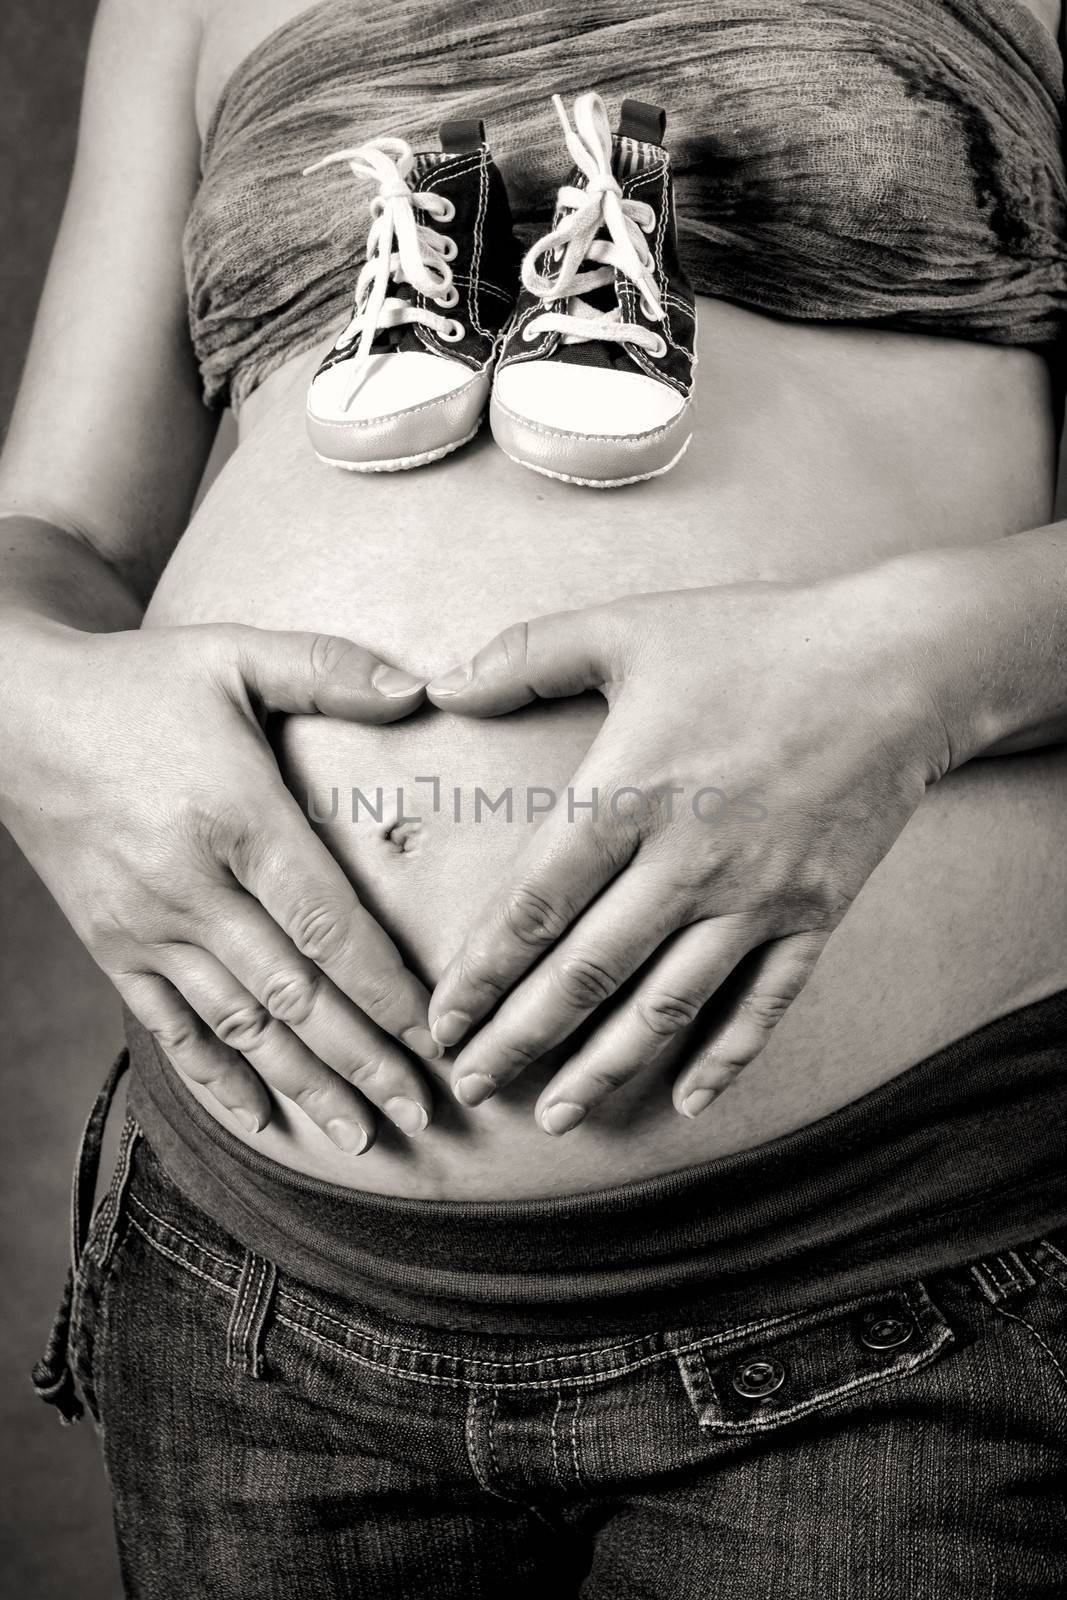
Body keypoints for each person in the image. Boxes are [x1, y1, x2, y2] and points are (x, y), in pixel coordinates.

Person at [4, 1, 1067, 1594]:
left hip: (898, 1273)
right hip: (259, 1303)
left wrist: (908, 674)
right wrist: (35, 711)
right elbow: (51, 536)